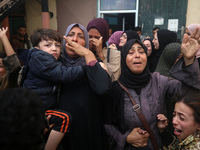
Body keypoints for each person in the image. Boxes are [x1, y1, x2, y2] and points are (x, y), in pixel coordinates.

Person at [103, 27, 200, 149]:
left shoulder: (158, 81)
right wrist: (125, 137)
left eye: (141, 51)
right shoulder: (116, 89)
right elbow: (106, 124)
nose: (137, 55)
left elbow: (188, 92)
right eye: (131, 52)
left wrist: (189, 61)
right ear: (123, 59)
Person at [17, 28, 89, 150]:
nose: (54, 48)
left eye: (57, 45)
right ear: (37, 48)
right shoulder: (39, 58)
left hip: (42, 108)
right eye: (48, 45)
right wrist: (87, 68)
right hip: (33, 110)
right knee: (64, 118)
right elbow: (62, 74)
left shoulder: (53, 60)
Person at [59, 23, 110, 150]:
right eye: (70, 35)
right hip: (60, 133)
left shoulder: (94, 64)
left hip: (88, 132)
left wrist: (88, 54)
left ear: (86, 43)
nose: (74, 39)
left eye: (80, 36)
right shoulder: (56, 65)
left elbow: (102, 88)